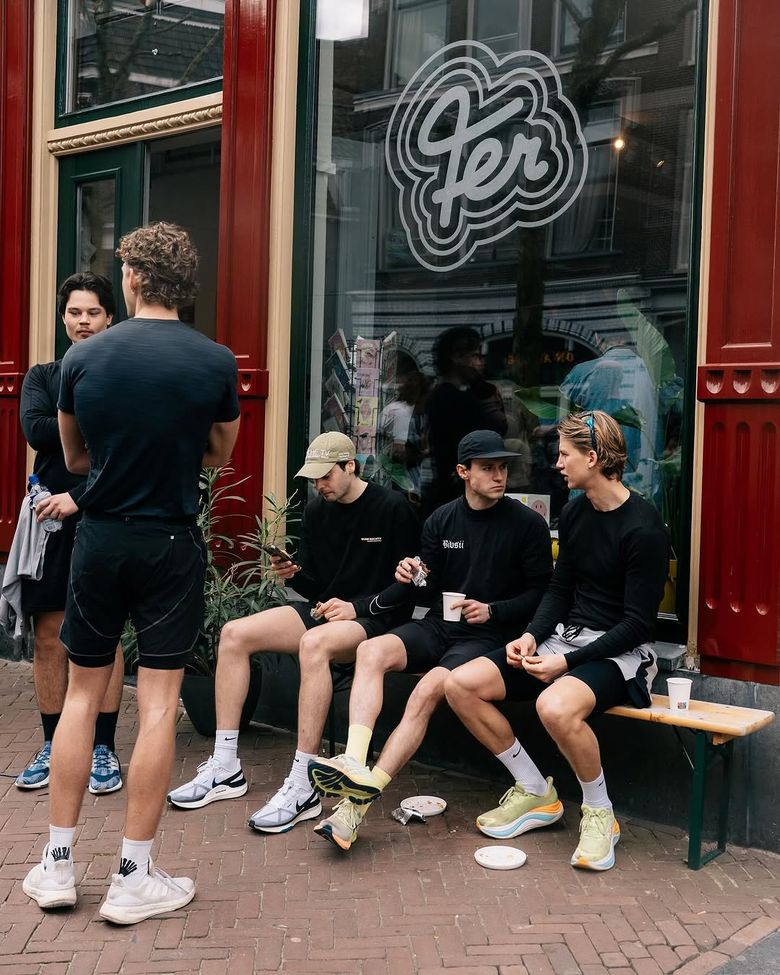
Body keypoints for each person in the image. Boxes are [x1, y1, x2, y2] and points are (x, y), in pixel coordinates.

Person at [23, 222, 240, 924]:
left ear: (135, 279)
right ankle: (133, 875)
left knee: (81, 697)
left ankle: (57, 865)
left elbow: (74, 458)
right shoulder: (215, 360)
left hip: (101, 537)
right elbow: (218, 454)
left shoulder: (83, 359)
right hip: (170, 539)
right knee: (157, 705)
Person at [306, 430, 553, 851]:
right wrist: (411, 574)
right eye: (488, 468)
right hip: (439, 625)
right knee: (370, 649)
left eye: (502, 468)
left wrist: (494, 610)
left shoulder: (527, 524)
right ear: (463, 472)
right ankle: (354, 759)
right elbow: (427, 584)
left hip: (487, 637)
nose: (499, 476)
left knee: (424, 692)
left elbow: (543, 594)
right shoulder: (441, 519)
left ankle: (353, 810)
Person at [444, 411, 669, 872]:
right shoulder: (575, 512)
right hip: (564, 640)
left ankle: (600, 813)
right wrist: (531, 636)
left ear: (593, 458)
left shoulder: (645, 527)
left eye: (565, 455)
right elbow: (560, 590)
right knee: (460, 685)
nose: (558, 464)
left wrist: (567, 664)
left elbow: (638, 625)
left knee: (554, 707)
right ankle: (535, 791)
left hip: (622, 652)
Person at [167, 431, 420, 836]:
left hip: (376, 621)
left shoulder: (392, 507)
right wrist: (294, 574)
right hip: (329, 613)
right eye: (314, 478)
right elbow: (319, 586)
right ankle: (225, 765)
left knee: (313, 643)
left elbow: (410, 587)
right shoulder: (318, 510)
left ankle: (303, 784)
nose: (319, 485)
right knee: (234, 633)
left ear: (350, 466)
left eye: (326, 476)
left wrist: (357, 608)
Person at [16, 273, 125, 795]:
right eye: (75, 312)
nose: (84, 321)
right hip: (51, 520)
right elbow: (36, 430)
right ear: (64, 319)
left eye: (93, 312)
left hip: (107, 513)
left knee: (106, 634)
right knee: (48, 633)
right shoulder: (43, 375)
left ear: (110, 318)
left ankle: (103, 748)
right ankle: (53, 744)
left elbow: (124, 440)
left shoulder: (123, 373)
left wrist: (75, 422)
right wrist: (94, 419)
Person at [423, 327, 507, 514]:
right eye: (474, 356)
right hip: (458, 487)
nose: (480, 363)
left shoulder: (450, 394)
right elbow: (497, 427)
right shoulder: (452, 397)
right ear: (457, 357)